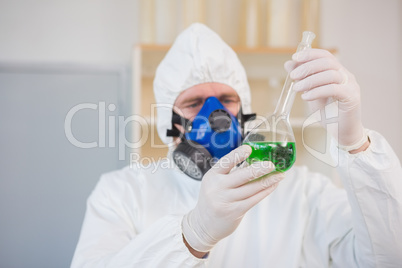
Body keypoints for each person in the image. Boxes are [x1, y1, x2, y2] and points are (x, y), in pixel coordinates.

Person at [71, 23, 402, 267]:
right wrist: (192, 234)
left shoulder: (302, 192)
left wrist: (354, 143)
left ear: (245, 113)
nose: (214, 114)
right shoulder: (122, 193)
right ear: (169, 123)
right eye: (194, 102)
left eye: (226, 99)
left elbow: (387, 256)